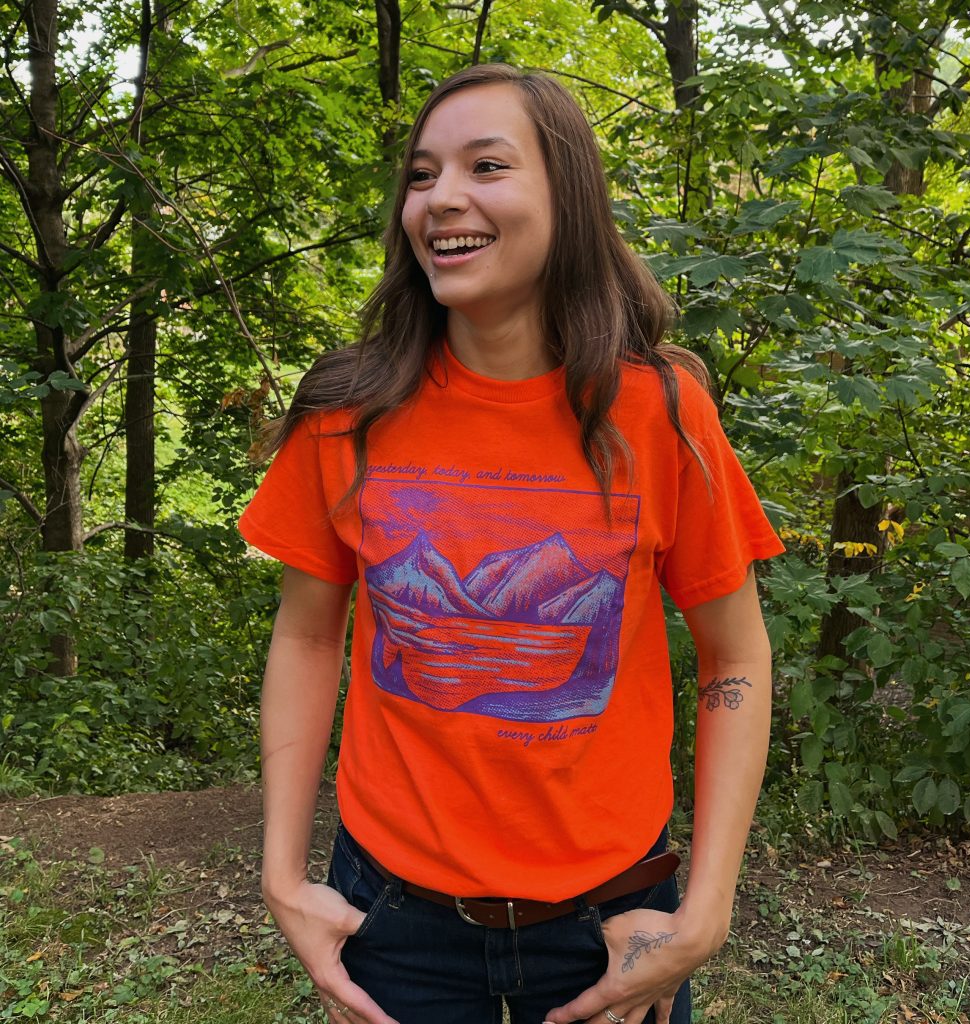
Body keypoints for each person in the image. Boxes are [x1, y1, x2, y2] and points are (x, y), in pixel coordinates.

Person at [238, 62, 785, 1024]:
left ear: (566, 197)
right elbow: (309, 637)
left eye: (486, 165)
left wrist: (703, 912)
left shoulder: (661, 411)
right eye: (421, 174)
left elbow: (734, 657)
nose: (441, 197)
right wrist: (284, 874)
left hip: (613, 922)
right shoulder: (346, 411)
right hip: (391, 919)